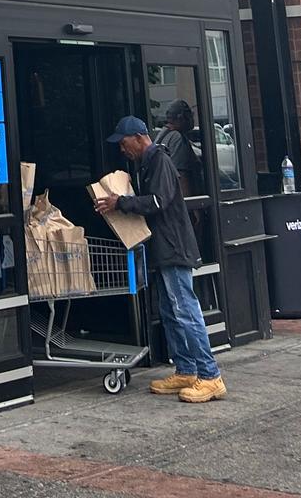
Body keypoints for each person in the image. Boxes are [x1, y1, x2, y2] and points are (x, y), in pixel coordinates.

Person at [96, 115, 225, 403]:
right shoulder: (147, 163)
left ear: (140, 137)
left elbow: (158, 201)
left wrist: (121, 202)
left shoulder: (159, 161)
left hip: (174, 249)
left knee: (185, 311)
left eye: (124, 142)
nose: (122, 149)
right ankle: (186, 370)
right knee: (170, 311)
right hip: (164, 250)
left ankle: (210, 375)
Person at [155, 99, 206, 194]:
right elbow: (181, 178)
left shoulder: (163, 135)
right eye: (190, 115)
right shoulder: (176, 138)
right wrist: (191, 205)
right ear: (181, 117)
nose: (192, 120)